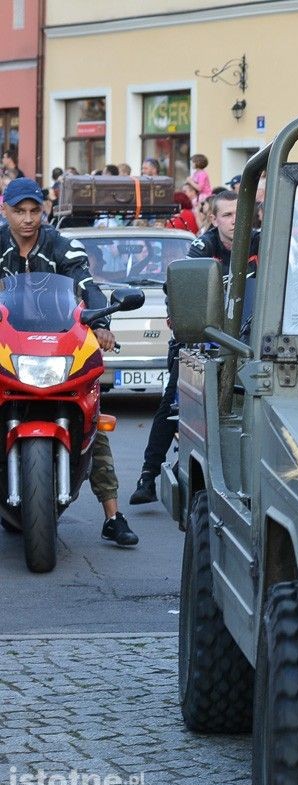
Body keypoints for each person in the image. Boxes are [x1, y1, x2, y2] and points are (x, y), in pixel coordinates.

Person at [0, 179, 137, 547]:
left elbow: (86, 283)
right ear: (5, 211)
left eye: (34, 211)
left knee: (89, 415)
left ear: (43, 211)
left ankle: (112, 515)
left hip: (57, 344)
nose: (28, 219)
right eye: (19, 211)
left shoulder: (62, 245)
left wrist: (102, 324)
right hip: (6, 345)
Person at [130, 190, 260, 505]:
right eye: (227, 215)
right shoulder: (203, 248)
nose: (234, 221)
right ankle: (148, 476)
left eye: (239, 213)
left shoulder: (264, 243)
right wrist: (179, 312)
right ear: (213, 219)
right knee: (172, 403)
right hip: (204, 336)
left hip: (249, 339)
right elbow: (178, 287)